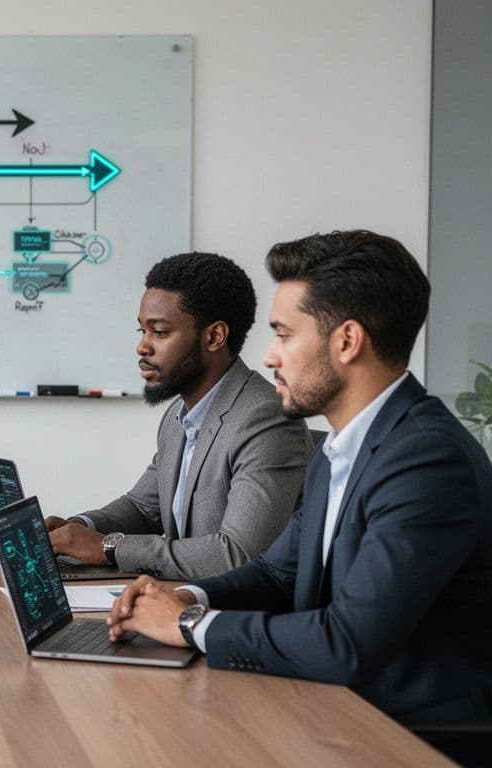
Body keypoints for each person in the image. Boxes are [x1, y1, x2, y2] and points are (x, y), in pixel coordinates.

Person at [107, 231, 492, 751]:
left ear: (347, 341)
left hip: (408, 737)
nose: (269, 357)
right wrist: (186, 595)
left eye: (285, 335)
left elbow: (347, 641)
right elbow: (275, 572)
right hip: (331, 709)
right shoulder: (341, 446)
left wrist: (190, 623)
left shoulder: (425, 461)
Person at [45, 252, 312, 579]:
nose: (142, 347)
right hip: (178, 598)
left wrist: (109, 547)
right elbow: (143, 508)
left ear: (214, 337)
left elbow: (238, 555)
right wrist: (79, 528)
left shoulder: (267, 418)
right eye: (141, 331)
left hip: (233, 616)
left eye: (159, 332)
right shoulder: (178, 415)